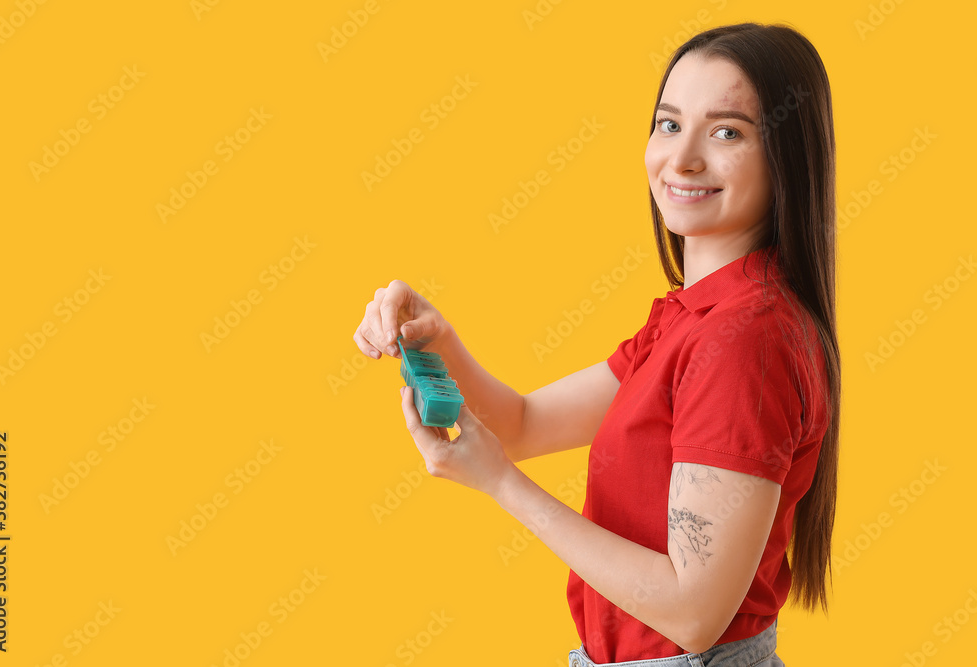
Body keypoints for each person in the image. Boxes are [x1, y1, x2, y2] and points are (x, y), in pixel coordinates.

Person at [352, 21, 840, 667]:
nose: (682, 157)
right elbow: (523, 424)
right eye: (668, 124)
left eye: (727, 132)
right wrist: (440, 342)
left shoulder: (744, 339)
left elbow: (693, 613)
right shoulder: (695, 316)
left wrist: (499, 482)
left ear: (788, 155)